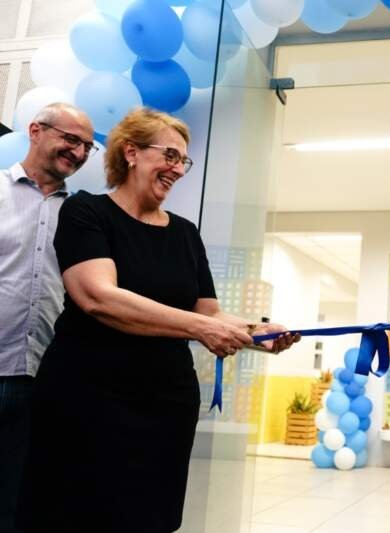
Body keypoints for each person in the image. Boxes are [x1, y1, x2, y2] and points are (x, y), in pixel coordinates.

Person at [15, 107, 299, 533]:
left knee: (150, 516)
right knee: (73, 515)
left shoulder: (185, 232)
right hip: (86, 398)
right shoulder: (86, 212)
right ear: (131, 152)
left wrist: (257, 331)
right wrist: (200, 328)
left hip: (165, 404)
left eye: (183, 160)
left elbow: (209, 312)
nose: (177, 169)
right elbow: (98, 297)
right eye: (170, 155)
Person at [0, 103, 94, 533]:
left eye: (87, 147)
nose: (77, 152)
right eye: (70, 139)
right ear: (35, 130)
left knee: (19, 504)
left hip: (42, 381)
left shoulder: (82, 218)